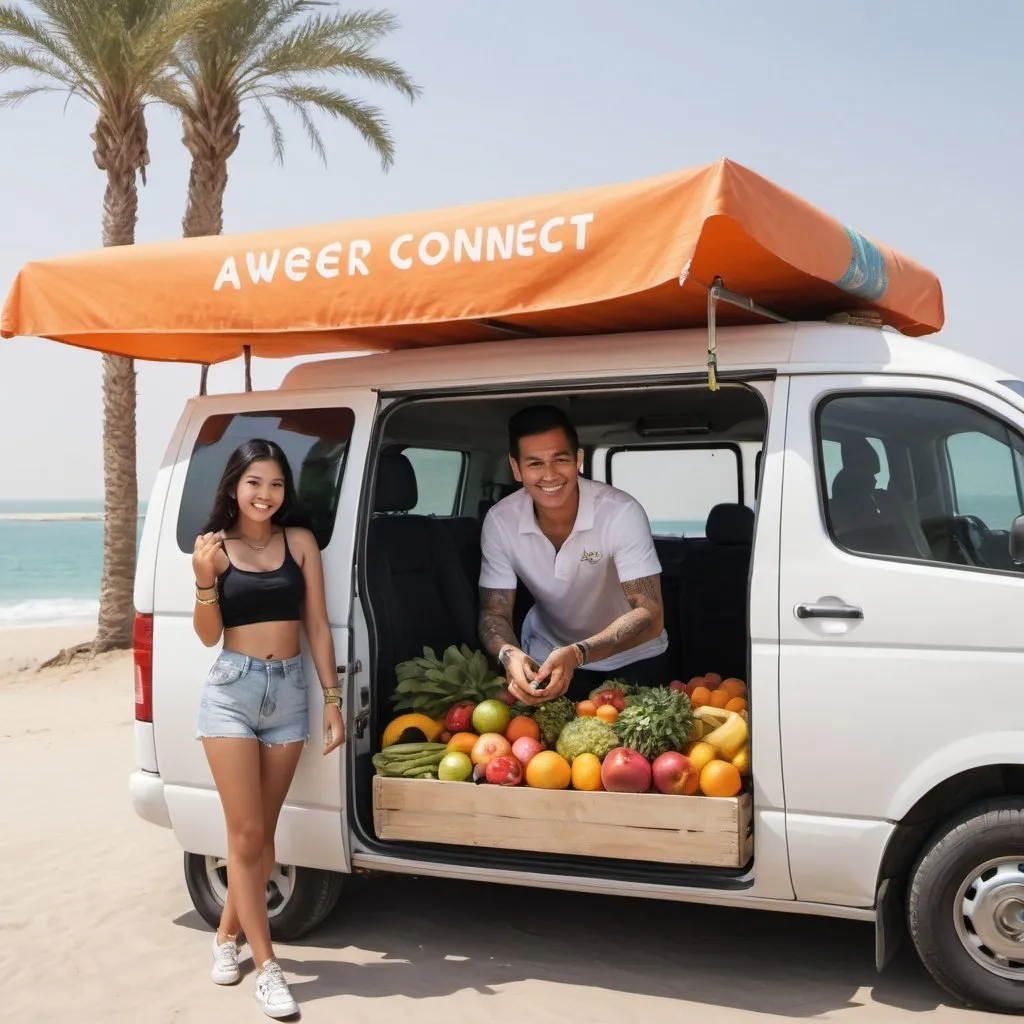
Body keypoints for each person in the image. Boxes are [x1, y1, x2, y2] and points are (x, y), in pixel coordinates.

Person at [191, 438, 345, 1020]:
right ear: (235, 485)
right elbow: (208, 634)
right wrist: (206, 579)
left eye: (276, 484)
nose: (265, 495)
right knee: (248, 833)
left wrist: (332, 700)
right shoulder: (214, 548)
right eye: (255, 482)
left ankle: (224, 937)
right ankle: (268, 969)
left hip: (288, 695)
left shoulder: (299, 542)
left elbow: (319, 629)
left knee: (260, 837)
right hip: (231, 691)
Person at [478, 405, 668, 705]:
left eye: (560, 459)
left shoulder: (620, 512)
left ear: (577, 459)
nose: (550, 475)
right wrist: (509, 655)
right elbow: (494, 612)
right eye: (535, 464)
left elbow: (650, 614)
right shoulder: (500, 521)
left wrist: (579, 652)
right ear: (516, 469)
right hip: (548, 657)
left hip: (634, 659)